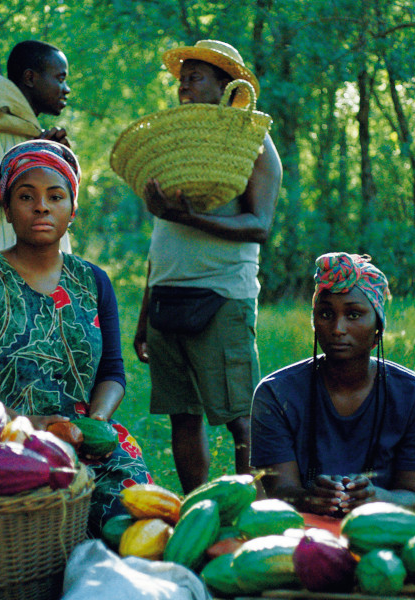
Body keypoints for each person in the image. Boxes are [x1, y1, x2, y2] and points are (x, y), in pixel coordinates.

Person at [0, 140, 152, 534]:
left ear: (72, 211)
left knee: (135, 523)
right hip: (3, 444)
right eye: (26, 196)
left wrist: (95, 424)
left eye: (55, 196)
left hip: (88, 447)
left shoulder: (94, 282)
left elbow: (112, 372)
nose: (41, 206)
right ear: (6, 209)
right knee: (19, 536)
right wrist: (28, 423)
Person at [133, 39, 283, 494]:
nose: (184, 88)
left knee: (240, 416)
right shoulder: (176, 147)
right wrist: (143, 316)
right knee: (183, 414)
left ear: (226, 85)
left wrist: (186, 216)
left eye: (196, 78)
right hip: (166, 301)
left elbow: (259, 225)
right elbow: (161, 242)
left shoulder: (253, 142)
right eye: (182, 80)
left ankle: (251, 508)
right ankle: (195, 505)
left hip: (221, 298)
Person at [251, 253, 415, 521]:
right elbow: (279, 491)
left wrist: (377, 498)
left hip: (380, 533)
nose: (338, 328)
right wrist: (308, 497)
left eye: (354, 314)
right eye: (326, 314)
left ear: (378, 328)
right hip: (300, 532)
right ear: (314, 322)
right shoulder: (275, 394)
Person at [0, 40, 73, 266]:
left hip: (42, 288)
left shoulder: (36, 137)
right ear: (30, 78)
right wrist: (27, 160)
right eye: (60, 79)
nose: (66, 89)